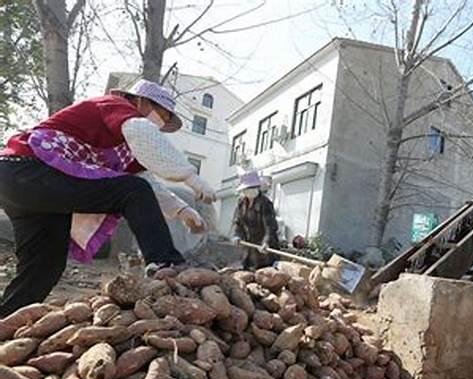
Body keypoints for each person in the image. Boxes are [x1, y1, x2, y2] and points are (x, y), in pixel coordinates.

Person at [0, 79, 216, 316]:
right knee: (132, 189)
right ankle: (165, 262)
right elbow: (138, 162)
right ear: (141, 101)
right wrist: (191, 178)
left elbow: (147, 183)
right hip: (30, 167)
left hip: (20, 184)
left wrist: (184, 212)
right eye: (161, 114)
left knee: (44, 266)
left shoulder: (126, 146)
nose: (160, 123)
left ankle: (6, 322)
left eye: (164, 121)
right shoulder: (115, 105)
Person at [232, 170, 279, 269]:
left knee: (264, 274)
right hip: (248, 246)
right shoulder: (241, 203)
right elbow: (237, 222)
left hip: (263, 249)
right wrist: (236, 235)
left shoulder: (265, 203)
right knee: (246, 270)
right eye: (247, 188)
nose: (250, 190)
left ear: (258, 187)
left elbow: (270, 226)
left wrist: (266, 242)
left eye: (252, 187)